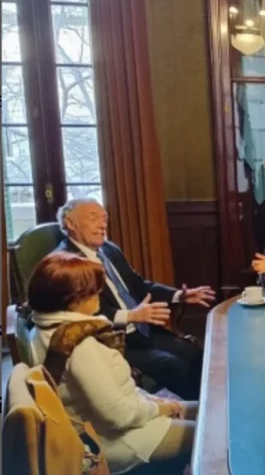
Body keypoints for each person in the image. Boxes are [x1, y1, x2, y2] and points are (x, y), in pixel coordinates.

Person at [27, 252, 197, 474]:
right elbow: (119, 416)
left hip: (116, 422)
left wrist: (155, 401)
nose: (99, 295)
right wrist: (159, 408)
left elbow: (117, 393)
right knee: (211, 432)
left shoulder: (43, 328)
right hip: (117, 441)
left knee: (208, 411)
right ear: (74, 300)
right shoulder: (79, 344)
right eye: (93, 292)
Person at [55, 198, 215, 400]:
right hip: (109, 341)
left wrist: (179, 295)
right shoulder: (66, 263)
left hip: (140, 332)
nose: (102, 225)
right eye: (93, 218)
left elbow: (139, 285)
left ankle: (210, 404)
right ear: (70, 223)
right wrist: (130, 316)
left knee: (194, 353)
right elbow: (79, 314)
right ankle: (201, 410)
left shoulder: (109, 250)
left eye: (104, 218)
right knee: (171, 364)